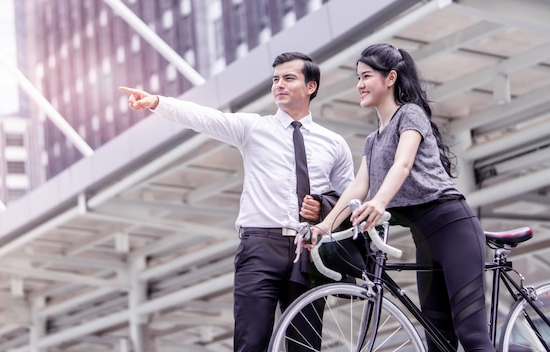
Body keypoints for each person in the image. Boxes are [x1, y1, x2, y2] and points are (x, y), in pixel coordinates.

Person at [119, 52, 355, 352]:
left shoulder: (333, 143)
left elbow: (351, 197)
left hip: (309, 249)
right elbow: (205, 118)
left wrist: (323, 207)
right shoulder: (253, 128)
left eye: (289, 78)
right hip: (260, 247)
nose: (279, 85)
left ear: (311, 87)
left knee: (306, 346)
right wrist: (156, 102)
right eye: (275, 79)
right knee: (250, 342)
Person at [309, 43, 495, 351]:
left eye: (366, 76)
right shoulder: (373, 139)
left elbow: (403, 163)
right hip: (425, 240)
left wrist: (379, 202)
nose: (359, 85)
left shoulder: (410, 114)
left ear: (390, 78)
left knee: (472, 335)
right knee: (437, 342)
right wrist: (326, 225)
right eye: (358, 77)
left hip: (453, 227)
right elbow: (358, 187)